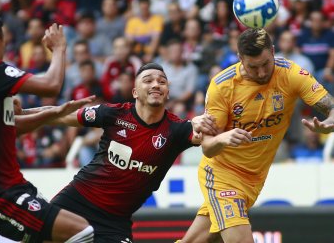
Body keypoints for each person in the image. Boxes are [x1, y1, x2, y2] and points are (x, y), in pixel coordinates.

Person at [179, 28, 334, 243]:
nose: (261, 73)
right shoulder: (222, 86)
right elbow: (207, 146)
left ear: (272, 51)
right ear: (240, 59)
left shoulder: (291, 74)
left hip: (254, 178)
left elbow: (331, 107)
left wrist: (329, 124)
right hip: (222, 175)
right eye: (253, 67)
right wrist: (222, 138)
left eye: (265, 64)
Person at [41, 62, 217, 243]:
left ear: (167, 92)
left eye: (162, 82)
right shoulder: (114, 114)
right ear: (135, 92)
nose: (156, 84)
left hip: (114, 223)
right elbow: (59, 115)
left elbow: (207, 138)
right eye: (148, 80)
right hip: (75, 201)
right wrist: (21, 113)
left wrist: (204, 124)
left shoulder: (177, 130)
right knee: (35, 235)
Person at [0, 11, 95, 243]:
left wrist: (52, 113)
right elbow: (51, 84)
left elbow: (9, 128)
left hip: (0, 190)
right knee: (82, 232)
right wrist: (59, 49)